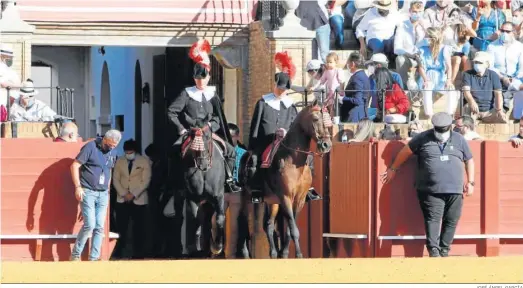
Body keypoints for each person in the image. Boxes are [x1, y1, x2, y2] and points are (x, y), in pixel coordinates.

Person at [381, 112, 475, 257]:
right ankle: (434, 251)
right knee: (433, 220)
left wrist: (471, 181)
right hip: (430, 189)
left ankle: (444, 250)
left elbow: (469, 160)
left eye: (443, 129)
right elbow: (405, 151)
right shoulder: (423, 138)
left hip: (455, 189)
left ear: (450, 127)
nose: (441, 133)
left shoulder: (459, 139)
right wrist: (393, 168)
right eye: (438, 129)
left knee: (452, 220)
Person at [167, 39, 239, 193]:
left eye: (203, 78)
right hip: (190, 132)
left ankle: (229, 180)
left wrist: (211, 126)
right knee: (173, 151)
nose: (201, 81)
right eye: (198, 79)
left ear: (208, 77)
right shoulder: (186, 93)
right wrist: (181, 129)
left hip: (209, 132)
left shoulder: (213, 94)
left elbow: (219, 117)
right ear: (194, 79)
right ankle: (176, 184)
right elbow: (171, 111)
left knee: (231, 151)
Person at [248, 66, 320, 201]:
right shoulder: (263, 102)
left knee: (308, 158)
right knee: (254, 160)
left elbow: (295, 126)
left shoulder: (291, 105)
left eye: (284, 90)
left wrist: (286, 132)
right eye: (280, 88)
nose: (281, 92)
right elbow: (255, 126)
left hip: (286, 142)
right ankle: (257, 189)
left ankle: (307, 188)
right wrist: (253, 145)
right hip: (266, 141)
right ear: (274, 84)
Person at [70, 129, 122, 261]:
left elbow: (109, 170)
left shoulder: (113, 152)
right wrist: (78, 187)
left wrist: (108, 190)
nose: (111, 148)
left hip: (103, 193)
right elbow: (75, 165)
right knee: (90, 225)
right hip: (88, 190)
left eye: (114, 146)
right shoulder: (90, 147)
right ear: (104, 139)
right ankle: (75, 255)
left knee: (99, 227)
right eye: (109, 145)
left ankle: (94, 258)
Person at [112, 139, 151, 259]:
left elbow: (146, 180)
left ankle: (139, 253)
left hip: (139, 200)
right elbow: (115, 179)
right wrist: (124, 194)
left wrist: (133, 194)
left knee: (139, 228)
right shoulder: (120, 161)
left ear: (135, 151)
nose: (128, 153)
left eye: (130, 151)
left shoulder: (144, 161)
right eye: (126, 151)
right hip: (122, 200)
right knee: (121, 227)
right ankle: (119, 252)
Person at [486, 22, 523, 119]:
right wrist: (503, 78)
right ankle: (500, 109)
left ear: (513, 32)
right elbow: (490, 66)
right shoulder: (492, 46)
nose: (504, 33)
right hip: (498, 77)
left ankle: (515, 115)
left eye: (507, 31)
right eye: (502, 31)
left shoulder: (520, 47)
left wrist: (514, 78)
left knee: (516, 86)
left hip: (515, 78)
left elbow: (521, 67)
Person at [417, 27, 456, 118]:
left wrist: (449, 79)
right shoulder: (423, 49)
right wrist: (425, 80)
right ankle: (429, 114)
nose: (425, 38)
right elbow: (421, 68)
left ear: (432, 38)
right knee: (427, 86)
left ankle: (449, 114)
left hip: (440, 77)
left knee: (451, 88)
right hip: (427, 75)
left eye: (427, 36)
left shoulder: (444, 49)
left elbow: (449, 66)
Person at [461, 51, 507, 123]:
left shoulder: (493, 75)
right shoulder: (467, 74)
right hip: (472, 109)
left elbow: (498, 94)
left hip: (489, 111)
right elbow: (466, 92)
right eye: (475, 62)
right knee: (467, 120)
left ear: (487, 64)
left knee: (503, 119)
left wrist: (499, 110)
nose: (477, 64)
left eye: (480, 62)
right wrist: (472, 102)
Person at [394, 0, 426, 86]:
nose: (417, 14)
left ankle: (422, 87)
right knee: (399, 59)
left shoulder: (426, 26)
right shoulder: (402, 26)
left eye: (419, 12)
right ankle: (403, 87)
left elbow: (432, 43)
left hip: (422, 57)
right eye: (415, 12)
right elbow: (397, 49)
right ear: (410, 11)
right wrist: (410, 55)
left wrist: (424, 28)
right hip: (408, 57)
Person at [340, 51, 371, 123]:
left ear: (353, 64)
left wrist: (342, 98)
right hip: (362, 114)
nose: (347, 65)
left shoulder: (357, 77)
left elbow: (357, 100)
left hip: (355, 116)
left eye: (348, 63)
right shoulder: (363, 75)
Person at [0, 43, 21, 121]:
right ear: (2, 56)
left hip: (8, 104)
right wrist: (19, 86)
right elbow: (2, 83)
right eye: (8, 57)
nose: (10, 59)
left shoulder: (10, 70)